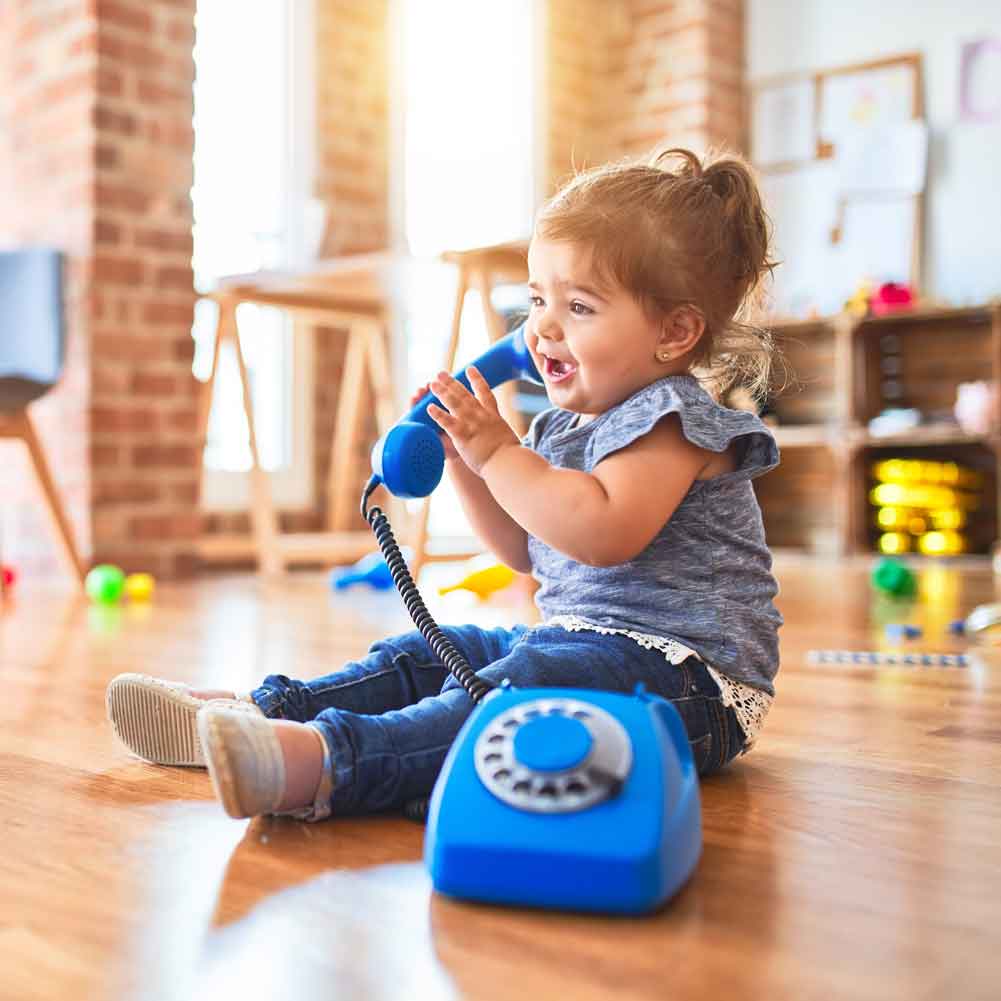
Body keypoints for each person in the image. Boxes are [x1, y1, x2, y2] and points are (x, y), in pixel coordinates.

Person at [107, 147, 783, 822]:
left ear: (675, 332)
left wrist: (495, 451)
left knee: (516, 690)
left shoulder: (673, 422)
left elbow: (599, 533)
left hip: (694, 689)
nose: (541, 327)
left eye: (578, 306)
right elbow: (526, 550)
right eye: (538, 298)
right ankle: (255, 711)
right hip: (581, 647)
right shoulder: (559, 428)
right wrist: (463, 457)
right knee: (428, 652)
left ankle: (323, 762)